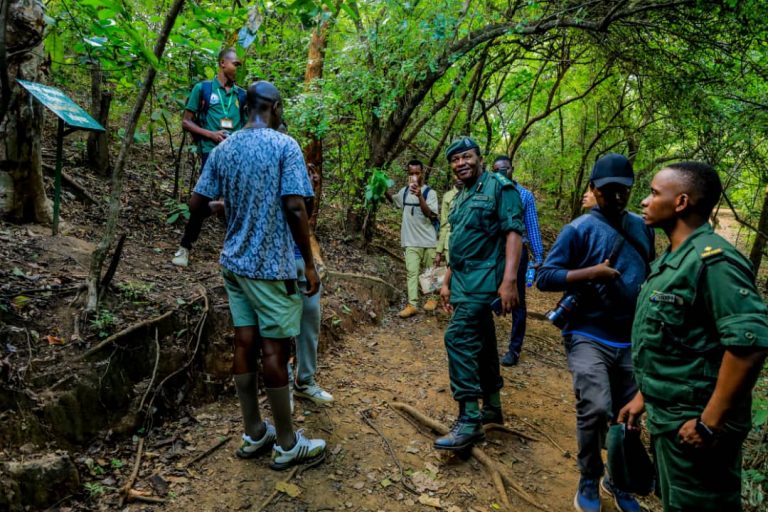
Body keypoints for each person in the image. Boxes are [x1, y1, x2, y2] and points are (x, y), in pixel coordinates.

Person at [190, 81, 325, 470]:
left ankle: (254, 432)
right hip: (271, 268)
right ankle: (286, 443)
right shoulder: (285, 145)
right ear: (276, 107)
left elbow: (197, 202)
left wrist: (227, 209)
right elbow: (296, 208)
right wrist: (310, 264)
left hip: (234, 264)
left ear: (246, 105)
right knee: (275, 350)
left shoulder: (224, 147)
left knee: (243, 342)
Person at [619, 162, 768, 512]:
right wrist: (644, 397)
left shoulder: (713, 262)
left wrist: (709, 422)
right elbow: (677, 340)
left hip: (696, 428)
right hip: (670, 417)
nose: (644, 201)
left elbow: (748, 344)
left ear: (681, 202)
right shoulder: (674, 259)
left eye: (654, 193)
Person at [537, 153, 655, 512]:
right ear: (593, 189)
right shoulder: (578, 229)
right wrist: (590, 273)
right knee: (595, 407)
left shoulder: (643, 226)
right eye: (608, 190)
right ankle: (589, 475)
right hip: (588, 333)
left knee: (627, 417)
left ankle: (618, 481)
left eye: (623, 190)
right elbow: (545, 277)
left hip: (632, 337)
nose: (617, 197)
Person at [435, 137, 524, 451]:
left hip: (485, 279)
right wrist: (446, 281)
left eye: (467, 157)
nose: (461, 163)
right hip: (462, 280)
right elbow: (458, 244)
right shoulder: (460, 196)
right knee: (484, 341)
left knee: (457, 338)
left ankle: (470, 419)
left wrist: (510, 281)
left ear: (479, 158)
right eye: (455, 159)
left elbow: (513, 232)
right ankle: (492, 406)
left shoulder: (500, 187)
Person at [172, 48, 246, 267]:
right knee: (202, 198)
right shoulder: (203, 89)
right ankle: (184, 248)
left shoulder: (241, 95)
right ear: (223, 63)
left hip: (236, 157)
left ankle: (235, 254)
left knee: (236, 201)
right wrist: (211, 135)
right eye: (235, 64)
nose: (237, 69)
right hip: (210, 154)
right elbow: (187, 122)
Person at [492, 156, 545, 366]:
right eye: (497, 170)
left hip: (518, 252)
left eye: (505, 169)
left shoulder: (524, 195)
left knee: (518, 299)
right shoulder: (490, 192)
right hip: (494, 251)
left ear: (512, 169)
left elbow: (532, 226)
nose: (501, 173)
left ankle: (514, 350)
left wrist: (538, 256)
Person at [291, 164, 333, 405]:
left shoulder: (296, 178)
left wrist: (309, 187)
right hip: (277, 262)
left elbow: (304, 216)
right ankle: (283, 387)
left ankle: (304, 380)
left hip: (302, 259)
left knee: (310, 317)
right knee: (279, 328)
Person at [385, 160, 440, 318]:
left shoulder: (430, 193)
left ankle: (432, 299)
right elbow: (394, 202)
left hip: (428, 240)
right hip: (410, 241)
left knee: (431, 272)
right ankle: (413, 304)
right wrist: (383, 190)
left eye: (417, 173)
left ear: (423, 173)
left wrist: (419, 195)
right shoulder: (403, 192)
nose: (414, 176)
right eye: (411, 174)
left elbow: (430, 214)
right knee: (411, 272)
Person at [434, 179, 463, 266]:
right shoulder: (448, 196)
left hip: (468, 242)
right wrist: (438, 252)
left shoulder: (474, 193)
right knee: (452, 272)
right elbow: (444, 225)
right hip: (450, 243)